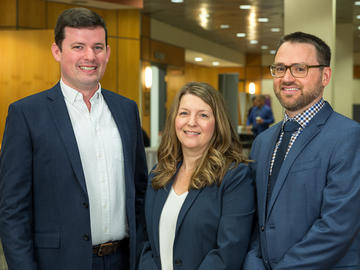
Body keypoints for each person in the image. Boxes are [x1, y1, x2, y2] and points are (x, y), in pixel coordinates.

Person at [0, 7, 148, 270]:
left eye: (98, 47)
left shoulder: (126, 110)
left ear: (108, 52)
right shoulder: (26, 114)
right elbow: (13, 210)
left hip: (124, 260)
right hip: (58, 263)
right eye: (78, 46)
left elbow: (139, 192)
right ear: (57, 51)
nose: (90, 56)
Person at [243, 32, 360, 270]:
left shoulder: (349, 136)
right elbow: (256, 221)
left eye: (299, 69)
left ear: (325, 75)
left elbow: (337, 227)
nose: (287, 77)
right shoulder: (263, 142)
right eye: (280, 68)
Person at [138, 82, 255, 270]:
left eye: (203, 115)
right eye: (184, 113)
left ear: (217, 123)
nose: (191, 122)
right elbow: (145, 241)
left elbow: (229, 252)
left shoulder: (234, 177)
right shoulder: (159, 173)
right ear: (174, 119)